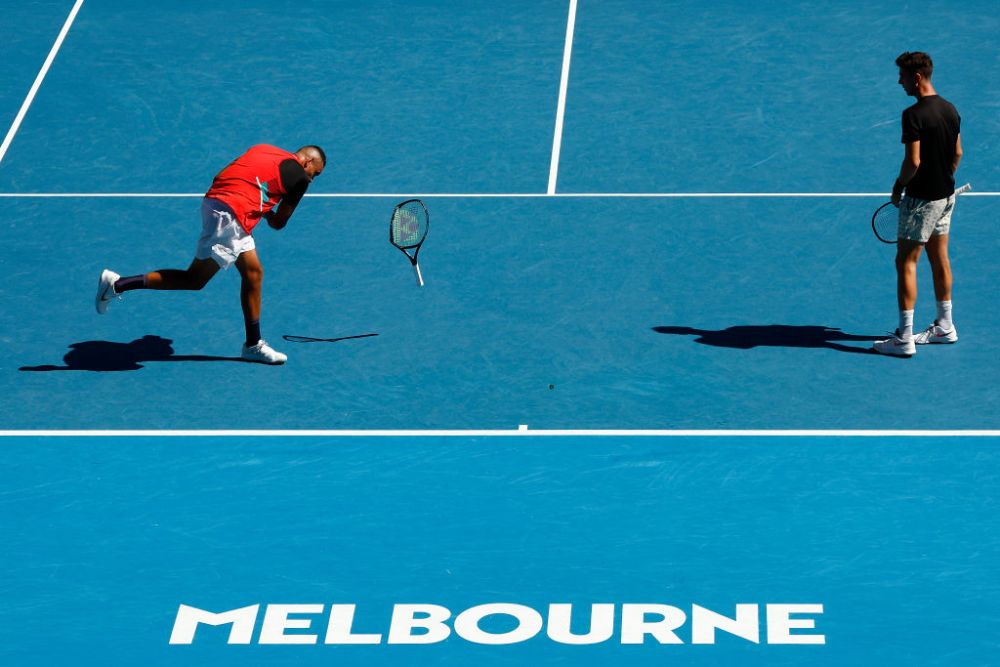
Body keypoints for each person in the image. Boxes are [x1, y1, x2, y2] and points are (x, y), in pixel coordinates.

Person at [95, 144, 326, 364]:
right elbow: (279, 222)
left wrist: (254, 201)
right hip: (233, 217)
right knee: (195, 279)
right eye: (314, 174)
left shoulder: (264, 149)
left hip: (216, 202)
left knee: (253, 273)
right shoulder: (299, 179)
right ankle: (117, 284)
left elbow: (223, 174)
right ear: (307, 162)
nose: (311, 180)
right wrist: (266, 212)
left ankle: (253, 344)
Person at [873, 52, 962, 357]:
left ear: (917, 77)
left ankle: (904, 338)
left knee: (905, 262)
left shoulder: (913, 115)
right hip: (946, 196)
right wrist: (942, 178)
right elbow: (958, 153)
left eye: (902, 76)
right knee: (940, 259)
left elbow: (913, 161)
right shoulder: (950, 109)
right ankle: (945, 326)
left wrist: (900, 186)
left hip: (921, 200)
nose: (899, 82)